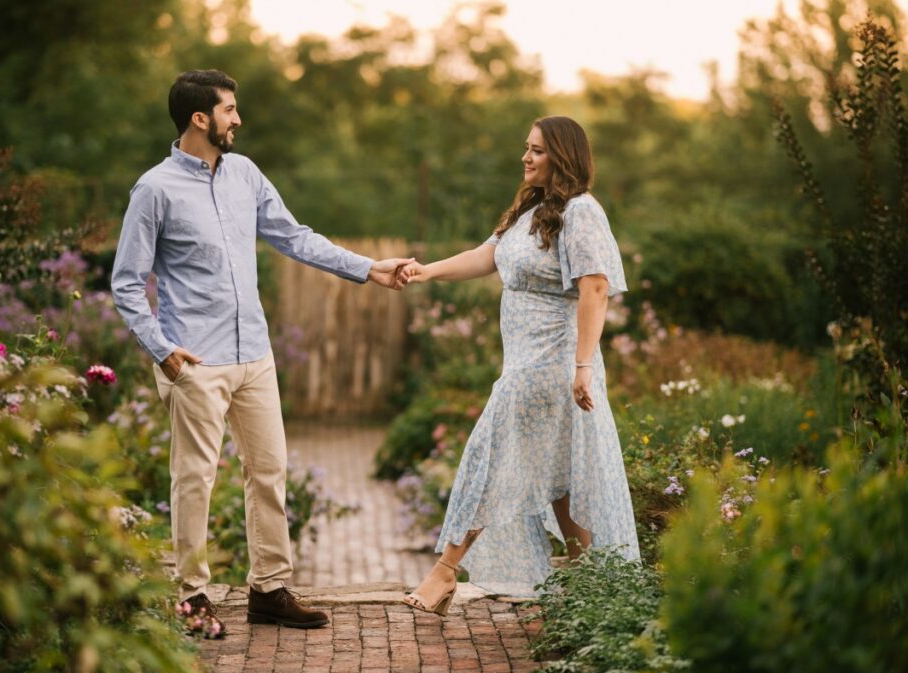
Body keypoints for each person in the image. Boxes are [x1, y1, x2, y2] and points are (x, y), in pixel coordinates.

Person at [111, 69, 412, 635]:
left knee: (269, 471)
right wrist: (162, 349)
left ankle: (269, 590)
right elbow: (127, 282)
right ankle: (191, 595)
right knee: (194, 478)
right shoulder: (154, 189)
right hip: (194, 360)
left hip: (254, 354)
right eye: (229, 110)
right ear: (200, 118)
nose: (238, 119)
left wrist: (368, 268)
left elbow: (293, 236)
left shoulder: (245, 174)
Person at [398, 116, 640, 613]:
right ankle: (595, 583)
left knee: (492, 456)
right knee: (558, 475)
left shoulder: (581, 212)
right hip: (524, 362)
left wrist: (582, 367)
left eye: (537, 151)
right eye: (525, 149)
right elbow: (486, 257)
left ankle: (444, 571)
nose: (525, 158)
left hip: (553, 364)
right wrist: (426, 272)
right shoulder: (532, 210)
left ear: (563, 157)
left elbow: (595, 288)